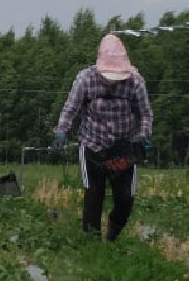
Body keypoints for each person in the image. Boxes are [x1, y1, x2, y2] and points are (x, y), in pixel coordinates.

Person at [54, 34, 153, 240]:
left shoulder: (135, 82)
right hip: (92, 145)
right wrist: (62, 130)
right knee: (93, 195)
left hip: (123, 148)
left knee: (125, 198)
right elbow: (70, 108)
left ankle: (113, 233)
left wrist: (143, 134)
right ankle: (91, 245)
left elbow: (145, 114)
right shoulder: (85, 79)